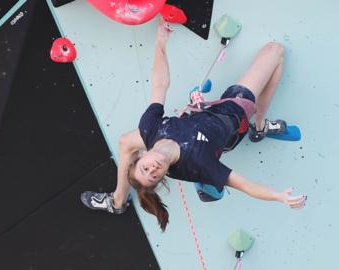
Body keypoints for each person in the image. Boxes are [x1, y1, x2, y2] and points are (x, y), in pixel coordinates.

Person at [81, 19, 306, 231]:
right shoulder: (199, 163)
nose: (153, 169)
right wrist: (279, 196)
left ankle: (117, 201)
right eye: (154, 176)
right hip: (232, 115)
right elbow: (247, 186)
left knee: (124, 141)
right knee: (275, 52)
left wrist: (160, 43)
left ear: (142, 155)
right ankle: (258, 126)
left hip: (202, 115)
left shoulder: (150, 128)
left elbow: (160, 84)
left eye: (145, 168)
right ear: (164, 175)